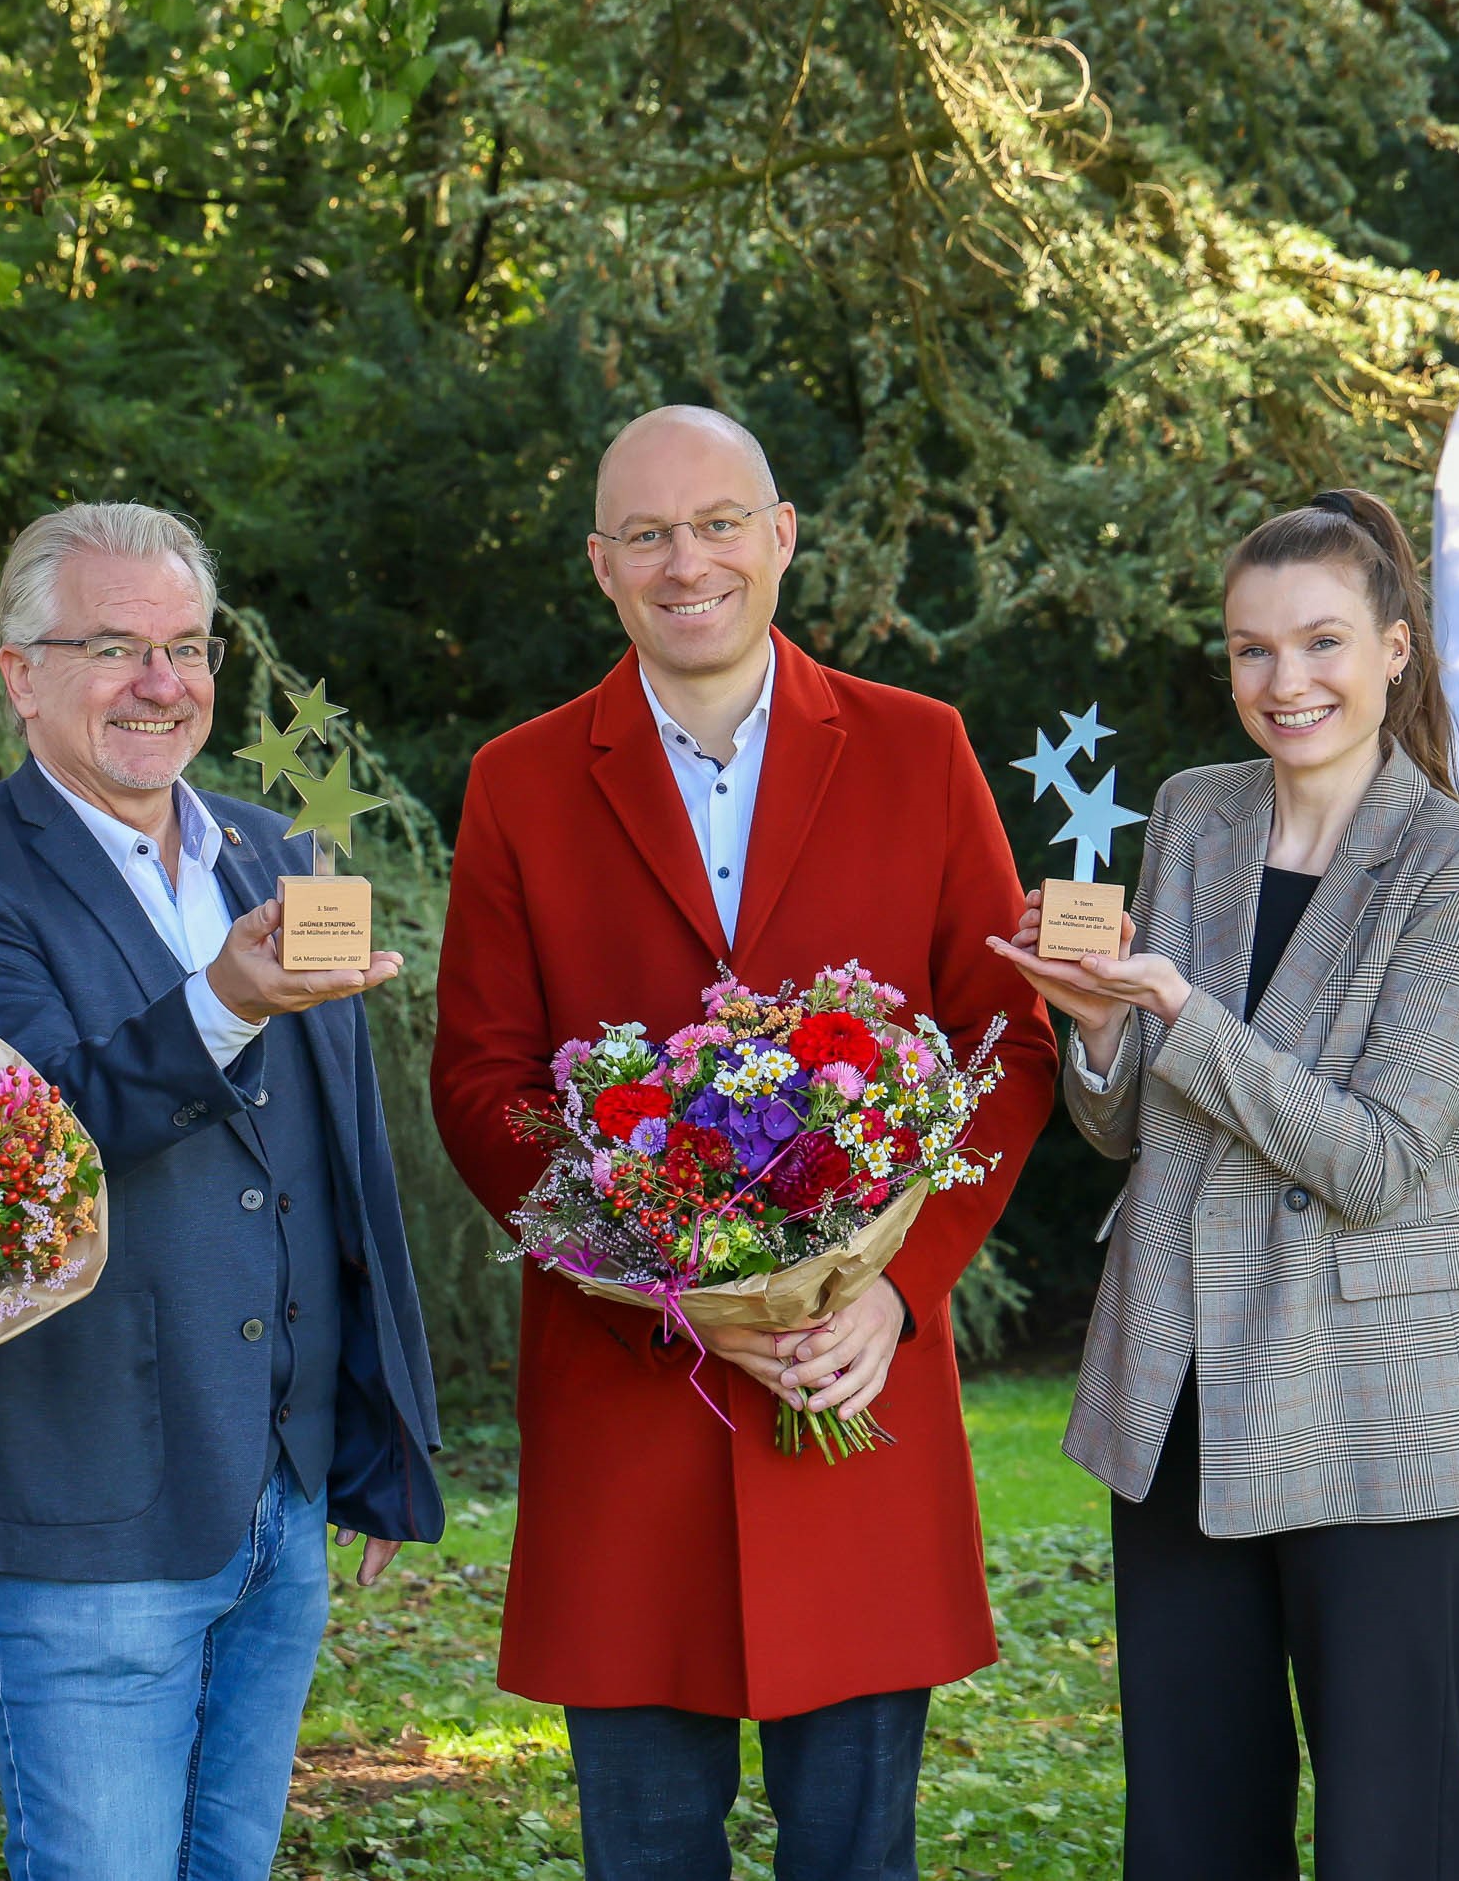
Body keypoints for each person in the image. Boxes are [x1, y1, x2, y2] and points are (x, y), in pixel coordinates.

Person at [430, 405, 1056, 1880]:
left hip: (852, 1390)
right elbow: (484, 1079)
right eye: (647, 533)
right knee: (643, 1855)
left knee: (857, 1857)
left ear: (781, 539)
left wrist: (899, 1295)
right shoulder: (519, 780)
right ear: (601, 567)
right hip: (628, 1401)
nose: (685, 560)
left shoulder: (918, 748)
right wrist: (646, 1255)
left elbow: (1004, 1042)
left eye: (718, 523)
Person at [0, 502, 445, 1881]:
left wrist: (377, 1435)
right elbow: (24, 1148)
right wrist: (224, 1001)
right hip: (79, 1507)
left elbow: (340, 1173)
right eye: (115, 647)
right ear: (20, 672)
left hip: (277, 1500)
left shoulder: (279, 856)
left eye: (185, 648)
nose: (162, 684)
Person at [988, 487, 1459, 1881]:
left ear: (1397, 649)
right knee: (1190, 1816)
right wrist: (1102, 1028)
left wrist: (1179, 1012)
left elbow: (1379, 1158)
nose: (1285, 682)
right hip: (1177, 1379)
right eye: (1251, 650)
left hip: (1372, 1397)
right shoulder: (1193, 813)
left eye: (1322, 643)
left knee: (1387, 1827)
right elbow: (1121, 1131)